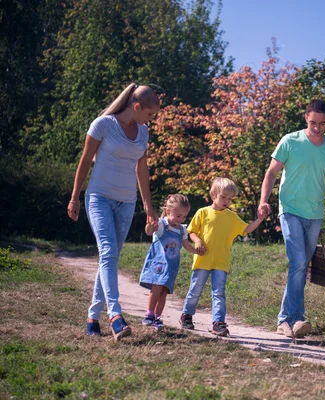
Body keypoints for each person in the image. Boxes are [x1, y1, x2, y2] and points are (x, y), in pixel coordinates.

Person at [67, 83, 160, 341]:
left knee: (109, 258)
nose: (152, 120)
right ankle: (115, 315)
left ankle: (92, 318)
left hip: (126, 202)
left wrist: (148, 206)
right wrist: (74, 197)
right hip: (99, 198)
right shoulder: (103, 125)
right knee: (107, 252)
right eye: (150, 114)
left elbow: (142, 169)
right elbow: (85, 161)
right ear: (137, 106)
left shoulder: (143, 132)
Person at [258, 99, 325, 339]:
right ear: (306, 117)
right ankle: (293, 319)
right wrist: (264, 200)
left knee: (301, 267)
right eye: (313, 122)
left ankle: (285, 320)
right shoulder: (290, 141)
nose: (317, 128)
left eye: (323, 123)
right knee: (297, 263)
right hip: (290, 210)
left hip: (315, 215)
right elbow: (272, 172)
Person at [179, 177, 266, 336]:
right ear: (213, 194)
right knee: (195, 289)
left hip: (221, 261)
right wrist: (197, 241)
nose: (227, 201)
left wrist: (260, 219)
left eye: (230, 199)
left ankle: (218, 323)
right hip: (202, 259)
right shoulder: (203, 212)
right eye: (223, 197)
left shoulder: (231, 216)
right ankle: (186, 315)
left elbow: (247, 229)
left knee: (218, 293)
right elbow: (191, 232)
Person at [139, 194, 200, 331]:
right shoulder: (161, 224)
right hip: (158, 264)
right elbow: (149, 232)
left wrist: (196, 251)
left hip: (172, 266)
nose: (181, 219)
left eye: (184, 217)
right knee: (156, 288)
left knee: (164, 291)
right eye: (178, 216)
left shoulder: (182, 230)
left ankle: (157, 317)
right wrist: (150, 225)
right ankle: (149, 313)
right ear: (168, 211)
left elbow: (186, 245)